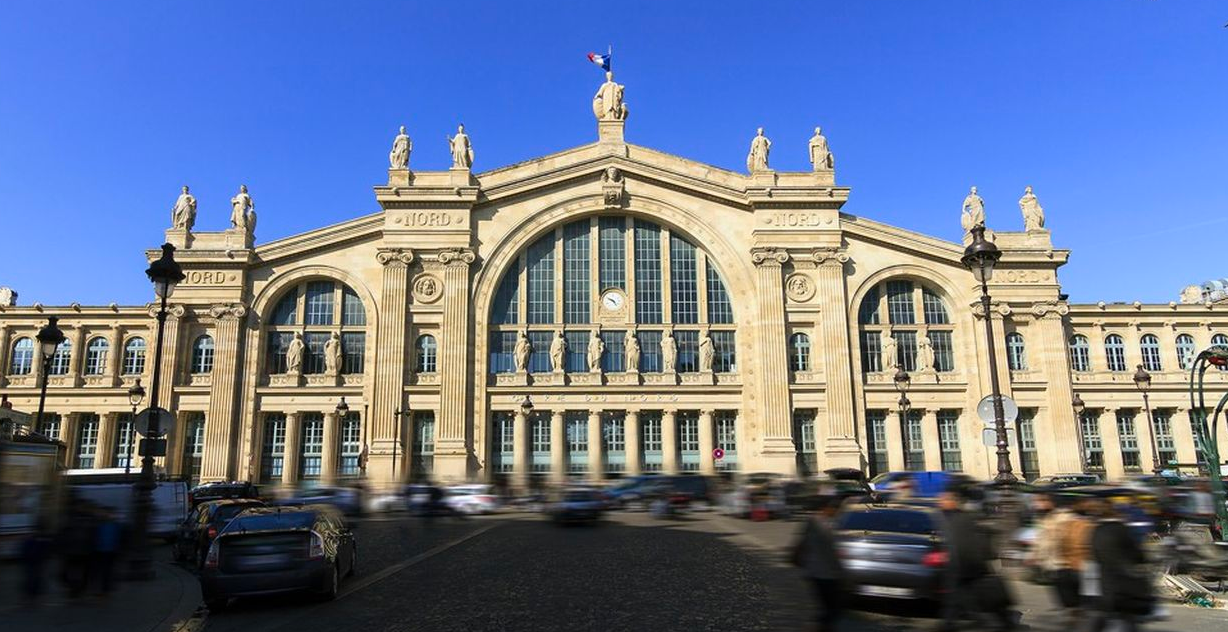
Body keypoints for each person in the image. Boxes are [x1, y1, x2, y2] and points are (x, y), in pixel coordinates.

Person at [938, 484, 1016, 631]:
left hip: (971, 565)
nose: (941, 502)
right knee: (956, 598)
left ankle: (1003, 619)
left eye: (944, 499)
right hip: (960, 566)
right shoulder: (950, 517)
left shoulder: (963, 517)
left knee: (985, 596)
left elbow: (974, 540)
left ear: (954, 501)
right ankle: (950, 623)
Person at [1084, 498, 1154, 632]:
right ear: (1116, 513)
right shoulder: (1122, 529)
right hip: (1125, 582)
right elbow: (1138, 554)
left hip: (1105, 582)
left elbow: (1094, 555)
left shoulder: (1096, 531)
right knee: (1128, 619)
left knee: (1103, 617)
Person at [790, 496, 846, 632]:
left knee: (828, 608)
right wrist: (840, 571)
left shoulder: (812, 521)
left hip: (813, 571)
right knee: (832, 609)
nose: (838, 512)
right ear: (828, 508)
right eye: (836, 510)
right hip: (826, 574)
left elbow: (802, 543)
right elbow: (830, 552)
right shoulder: (823, 525)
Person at [91, 508, 124, 595]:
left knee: (107, 570)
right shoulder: (100, 524)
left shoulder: (116, 525)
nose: (109, 515)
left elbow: (120, 538)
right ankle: (101, 587)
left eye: (111, 514)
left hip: (110, 551)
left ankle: (105, 588)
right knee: (100, 570)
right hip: (100, 551)